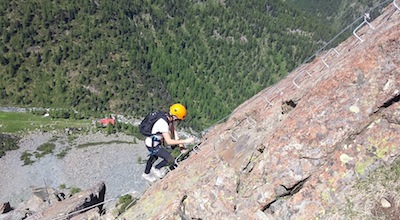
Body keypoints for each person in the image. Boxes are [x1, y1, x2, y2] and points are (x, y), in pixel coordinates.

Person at [141, 103, 194, 183]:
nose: (178, 121)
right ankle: (156, 168)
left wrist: (181, 147)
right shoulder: (163, 123)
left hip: (155, 142)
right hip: (153, 145)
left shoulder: (169, 119)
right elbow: (169, 142)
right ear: (175, 117)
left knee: (154, 157)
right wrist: (185, 141)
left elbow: (174, 133)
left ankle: (146, 174)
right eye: (178, 119)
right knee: (170, 159)